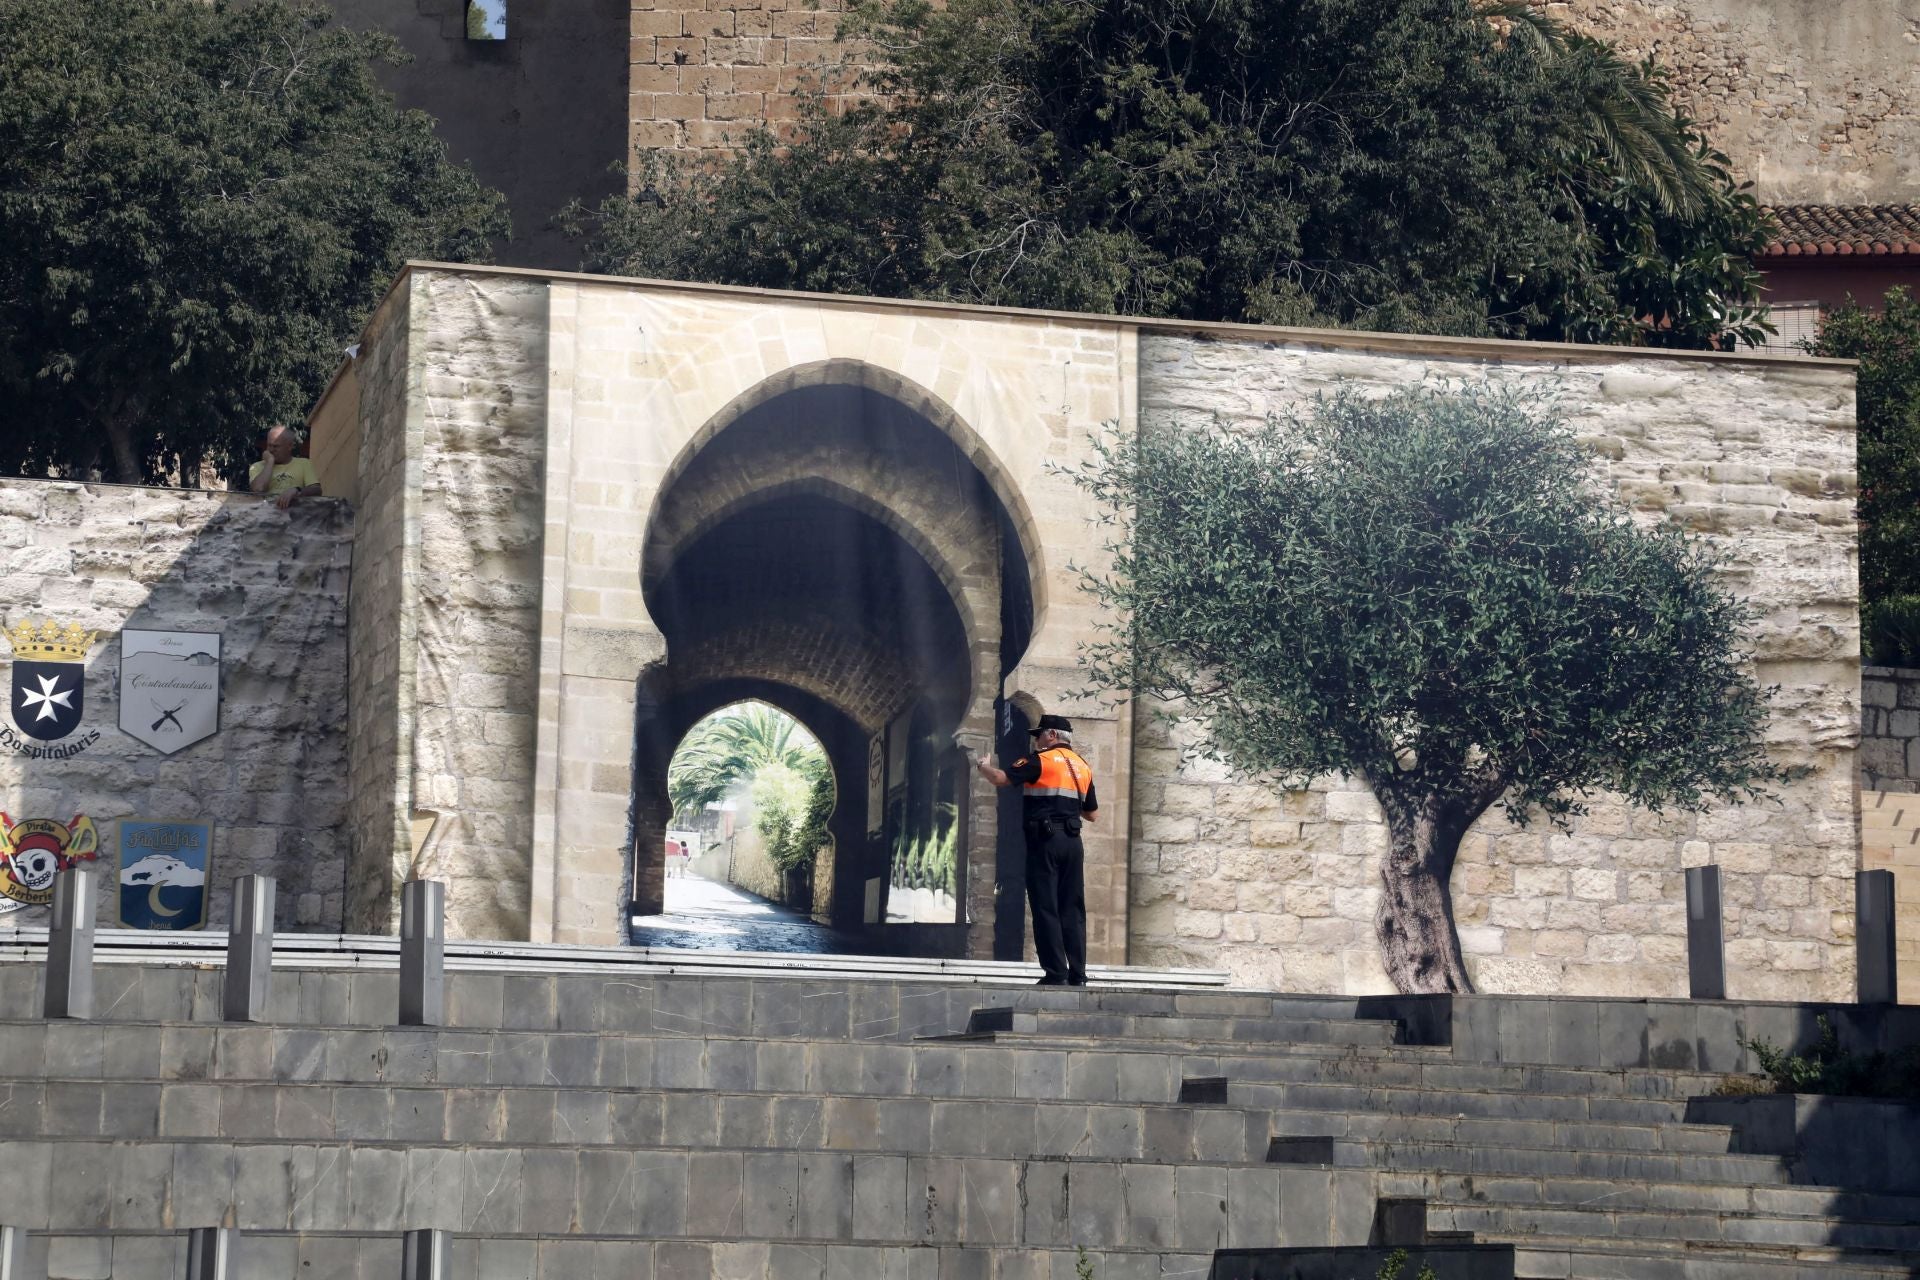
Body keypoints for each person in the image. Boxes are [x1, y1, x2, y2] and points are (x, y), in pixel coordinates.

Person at [976, 713, 1098, 986]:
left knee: (1046, 907)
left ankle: (1056, 973)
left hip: (1045, 841)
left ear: (1052, 735)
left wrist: (983, 767)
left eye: (1039, 735)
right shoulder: (1083, 766)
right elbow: (1092, 815)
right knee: (1073, 908)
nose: (1036, 741)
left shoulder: (1039, 761)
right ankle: (1078, 974)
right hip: (1073, 842)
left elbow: (999, 778)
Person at [248, 424, 321, 511]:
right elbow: (258, 489)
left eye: (276, 446)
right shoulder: (257, 466)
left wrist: (296, 490)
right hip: (266, 518)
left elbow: (317, 490)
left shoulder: (304, 463)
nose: (271, 450)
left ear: (290, 446)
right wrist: (270, 462)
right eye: (269, 445)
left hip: (296, 518)